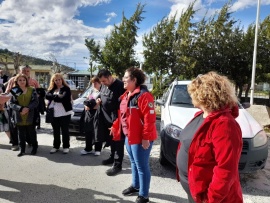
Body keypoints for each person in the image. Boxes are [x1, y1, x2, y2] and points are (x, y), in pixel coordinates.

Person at [176, 71, 243, 203]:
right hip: (195, 192)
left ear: (204, 95)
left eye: (193, 93)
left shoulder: (224, 124)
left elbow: (226, 169)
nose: (191, 97)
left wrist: (211, 199)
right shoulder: (201, 115)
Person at [110, 67, 157, 203]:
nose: (123, 80)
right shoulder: (125, 96)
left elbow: (150, 119)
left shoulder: (144, 96)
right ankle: (135, 186)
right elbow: (122, 116)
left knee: (142, 166)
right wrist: (115, 127)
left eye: (126, 77)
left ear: (134, 80)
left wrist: (146, 138)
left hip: (140, 138)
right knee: (133, 163)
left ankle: (144, 195)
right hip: (129, 137)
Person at [96, 69, 125, 176]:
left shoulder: (120, 86)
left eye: (104, 81)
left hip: (116, 118)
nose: (103, 83)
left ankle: (118, 164)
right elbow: (101, 95)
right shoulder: (104, 86)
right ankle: (112, 157)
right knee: (110, 139)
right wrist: (98, 100)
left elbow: (123, 103)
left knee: (118, 141)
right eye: (101, 82)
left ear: (109, 77)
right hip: (105, 117)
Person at [9, 74, 39, 157]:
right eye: (20, 80)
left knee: (32, 132)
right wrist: (21, 109)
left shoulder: (31, 89)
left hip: (30, 114)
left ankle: (34, 147)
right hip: (19, 115)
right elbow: (11, 103)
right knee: (21, 134)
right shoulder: (15, 90)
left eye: (23, 80)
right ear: (16, 81)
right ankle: (22, 150)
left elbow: (36, 102)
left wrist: (27, 108)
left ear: (26, 81)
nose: (22, 82)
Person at [45, 73, 73, 154]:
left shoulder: (66, 89)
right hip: (54, 114)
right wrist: (57, 97)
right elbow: (47, 96)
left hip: (65, 113)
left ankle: (66, 146)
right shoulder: (52, 89)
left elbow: (63, 98)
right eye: (56, 80)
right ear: (53, 81)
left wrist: (53, 97)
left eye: (59, 79)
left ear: (62, 80)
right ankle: (56, 146)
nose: (58, 81)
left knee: (65, 131)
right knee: (56, 131)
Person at [80, 76, 103, 156]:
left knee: (97, 131)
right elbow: (86, 100)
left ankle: (98, 149)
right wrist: (86, 105)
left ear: (100, 83)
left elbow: (98, 105)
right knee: (88, 131)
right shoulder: (91, 91)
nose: (94, 84)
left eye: (95, 82)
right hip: (88, 113)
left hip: (97, 113)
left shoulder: (102, 92)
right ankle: (88, 148)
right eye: (92, 83)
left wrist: (94, 105)